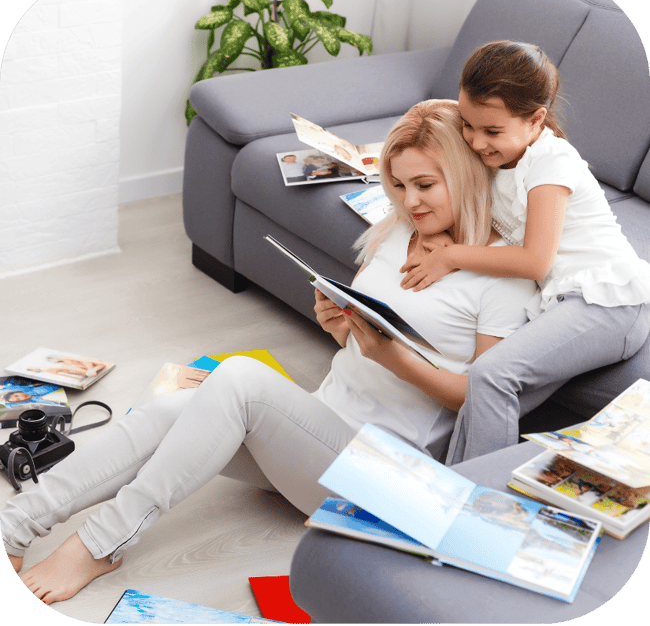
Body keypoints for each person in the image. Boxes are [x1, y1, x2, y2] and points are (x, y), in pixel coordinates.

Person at [0, 100, 537, 605]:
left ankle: (99, 544)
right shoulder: (400, 232)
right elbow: (367, 331)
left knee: (239, 379)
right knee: (170, 409)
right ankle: (17, 524)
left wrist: (392, 359)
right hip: (319, 434)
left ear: (465, 177)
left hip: (387, 478)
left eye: (425, 184)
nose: (410, 200)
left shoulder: (503, 278)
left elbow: (479, 397)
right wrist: (340, 327)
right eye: (398, 185)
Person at [397, 41, 650, 464]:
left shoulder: (550, 161)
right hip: (561, 304)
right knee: (484, 395)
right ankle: (452, 495)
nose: (476, 142)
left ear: (536, 120)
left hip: (609, 303)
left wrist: (451, 255)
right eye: (468, 125)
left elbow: (535, 261)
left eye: (491, 131)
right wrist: (443, 233)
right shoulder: (499, 158)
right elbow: (430, 119)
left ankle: (480, 509)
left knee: (491, 374)